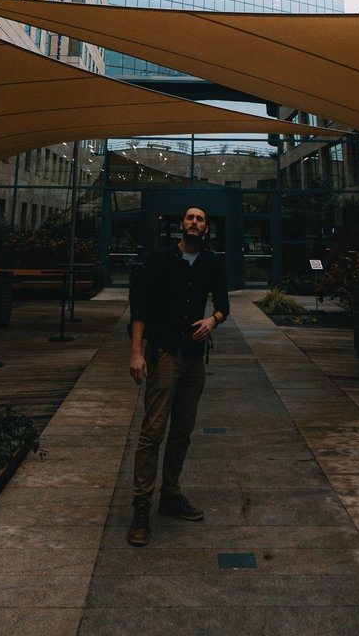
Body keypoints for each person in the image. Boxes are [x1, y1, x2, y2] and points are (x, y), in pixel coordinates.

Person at [125, 205, 229, 547]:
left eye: (201, 219)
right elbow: (140, 307)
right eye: (190, 218)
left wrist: (212, 320)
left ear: (206, 228)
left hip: (194, 357)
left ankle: (170, 495)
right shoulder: (160, 260)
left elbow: (224, 305)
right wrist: (137, 352)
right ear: (181, 224)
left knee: (182, 430)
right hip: (164, 353)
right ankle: (141, 506)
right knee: (153, 430)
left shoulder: (211, 263)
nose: (195, 223)